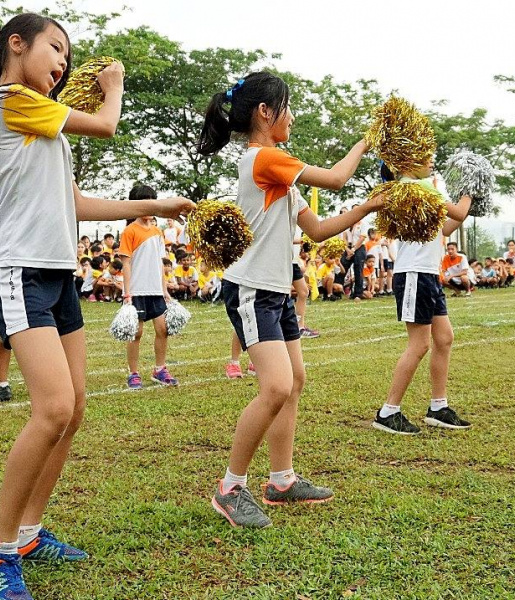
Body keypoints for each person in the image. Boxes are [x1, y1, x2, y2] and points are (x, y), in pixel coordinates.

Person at [0, 14, 194, 599]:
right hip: (21, 271)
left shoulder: (44, 126)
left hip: (60, 275)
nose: (62, 63)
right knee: (54, 409)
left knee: (75, 407)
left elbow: (77, 203)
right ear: (15, 44)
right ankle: (2, 544)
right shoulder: (12, 99)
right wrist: (114, 85)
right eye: (54, 48)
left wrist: (154, 207)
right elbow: (107, 125)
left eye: (67, 55)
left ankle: (29, 532)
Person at [197, 70, 383, 528]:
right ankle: (229, 488)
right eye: (287, 108)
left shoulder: (280, 169)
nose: (293, 117)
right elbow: (338, 178)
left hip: (277, 290)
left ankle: (281, 479)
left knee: (294, 381)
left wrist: (367, 208)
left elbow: (317, 229)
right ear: (265, 113)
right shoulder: (264, 158)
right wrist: (367, 141)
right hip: (253, 289)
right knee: (276, 387)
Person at [372, 160, 473, 435]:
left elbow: (446, 228)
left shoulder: (416, 189)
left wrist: (466, 201)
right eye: (424, 155)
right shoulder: (418, 187)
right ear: (407, 162)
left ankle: (438, 407)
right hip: (415, 274)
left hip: (426, 274)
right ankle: (388, 412)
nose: (431, 161)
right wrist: (471, 187)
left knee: (444, 337)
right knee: (419, 345)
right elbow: (460, 210)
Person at [119, 185, 182, 390]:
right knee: (135, 333)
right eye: (144, 201)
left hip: (155, 290)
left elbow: (158, 262)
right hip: (137, 290)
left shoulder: (157, 231)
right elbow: (126, 263)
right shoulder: (130, 231)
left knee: (163, 329)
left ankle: (159, 369)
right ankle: (133, 373)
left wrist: (164, 290)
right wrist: (127, 293)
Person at [340, 206, 366, 299]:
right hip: (349, 248)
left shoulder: (362, 224)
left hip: (359, 248)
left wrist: (354, 250)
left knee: (358, 270)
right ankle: (337, 290)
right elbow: (344, 239)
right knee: (342, 266)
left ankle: (358, 294)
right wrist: (348, 250)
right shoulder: (348, 224)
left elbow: (362, 238)